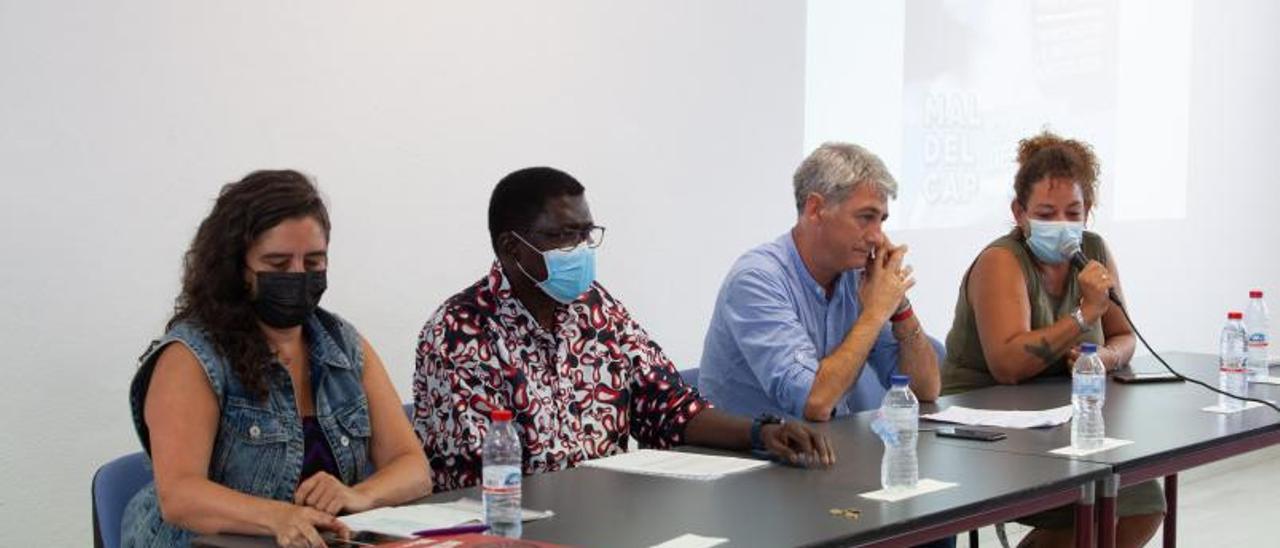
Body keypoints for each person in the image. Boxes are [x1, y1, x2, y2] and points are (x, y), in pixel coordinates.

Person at [413, 167, 834, 492]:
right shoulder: (459, 331)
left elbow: (666, 405)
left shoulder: (595, 307)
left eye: (586, 233)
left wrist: (761, 433)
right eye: (562, 236)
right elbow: (476, 476)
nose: (579, 250)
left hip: (608, 517)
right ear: (510, 247)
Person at [122, 171, 432, 548]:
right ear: (238, 268)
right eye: (279, 264)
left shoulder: (344, 346)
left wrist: (360, 495)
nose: (299, 276)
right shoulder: (191, 358)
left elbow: (413, 468)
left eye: (314, 262)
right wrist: (276, 516)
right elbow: (180, 496)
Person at [940, 131, 1163, 547]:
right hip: (983, 422)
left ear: (1088, 211)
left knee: (1142, 499)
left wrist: (1105, 359)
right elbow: (1007, 365)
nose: (1061, 225)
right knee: (1089, 504)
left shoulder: (1093, 250)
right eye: (1046, 213)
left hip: (1056, 419)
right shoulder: (1001, 260)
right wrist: (1083, 316)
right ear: (1019, 213)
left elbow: (1123, 334)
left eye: (1072, 212)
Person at [699, 142, 943, 421]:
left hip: (823, 451)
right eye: (866, 218)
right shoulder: (756, 280)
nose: (877, 237)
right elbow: (814, 402)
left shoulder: (858, 277)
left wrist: (900, 306)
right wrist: (875, 312)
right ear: (815, 209)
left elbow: (924, 390)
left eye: (882, 221)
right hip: (749, 457)